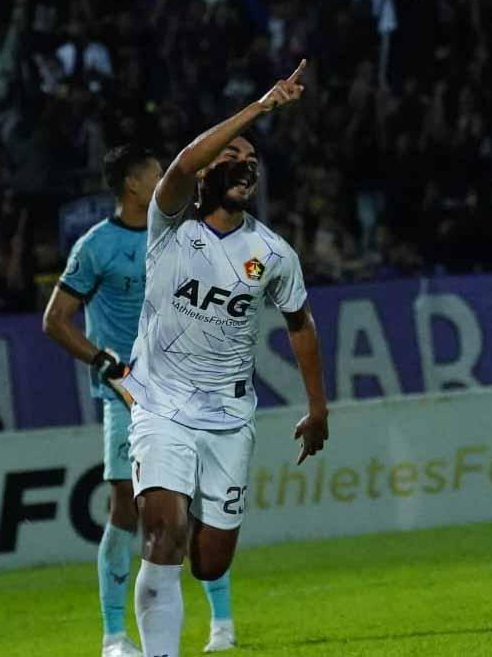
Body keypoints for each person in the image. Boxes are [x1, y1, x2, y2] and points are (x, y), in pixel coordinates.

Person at [121, 60, 330, 657]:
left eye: (253, 163)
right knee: (163, 530)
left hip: (229, 419)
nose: (247, 166)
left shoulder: (273, 253)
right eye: (233, 158)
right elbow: (186, 160)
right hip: (159, 404)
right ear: (210, 170)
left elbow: (301, 325)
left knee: (209, 564)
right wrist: (260, 108)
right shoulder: (169, 224)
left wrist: (317, 409)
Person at [43, 145, 239, 657]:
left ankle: (222, 622)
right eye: (157, 171)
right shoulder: (96, 246)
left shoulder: (181, 231)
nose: (168, 177)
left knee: (195, 505)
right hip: (126, 396)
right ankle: (113, 636)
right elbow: (55, 319)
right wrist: (104, 363)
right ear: (133, 183)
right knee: (125, 511)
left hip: (182, 389)